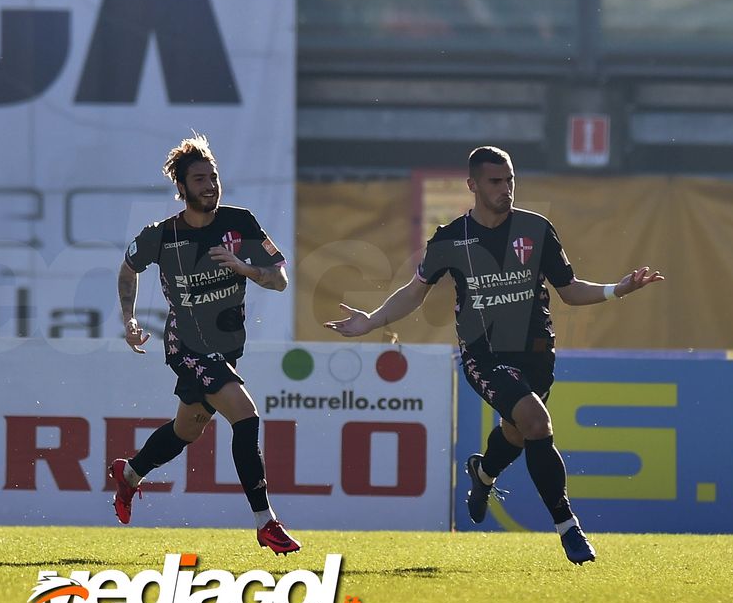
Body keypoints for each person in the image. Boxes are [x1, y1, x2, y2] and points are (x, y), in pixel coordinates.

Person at [325, 146, 663, 565]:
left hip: (537, 352)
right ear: (472, 186)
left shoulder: (537, 229)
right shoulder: (450, 239)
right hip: (483, 354)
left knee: (519, 431)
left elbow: (570, 290)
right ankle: (568, 527)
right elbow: (415, 292)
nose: (506, 189)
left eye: (510, 180)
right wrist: (372, 321)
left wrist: (617, 289)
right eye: (495, 182)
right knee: (536, 422)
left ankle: (483, 473)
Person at [111, 133, 300, 554]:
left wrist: (243, 267)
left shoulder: (241, 222)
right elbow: (128, 270)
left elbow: (281, 280)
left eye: (213, 176)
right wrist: (129, 320)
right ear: (181, 187)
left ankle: (128, 476)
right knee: (246, 415)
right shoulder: (161, 235)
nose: (210, 185)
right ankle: (265, 522)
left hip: (227, 348)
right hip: (187, 346)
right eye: (199, 179)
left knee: (186, 430)